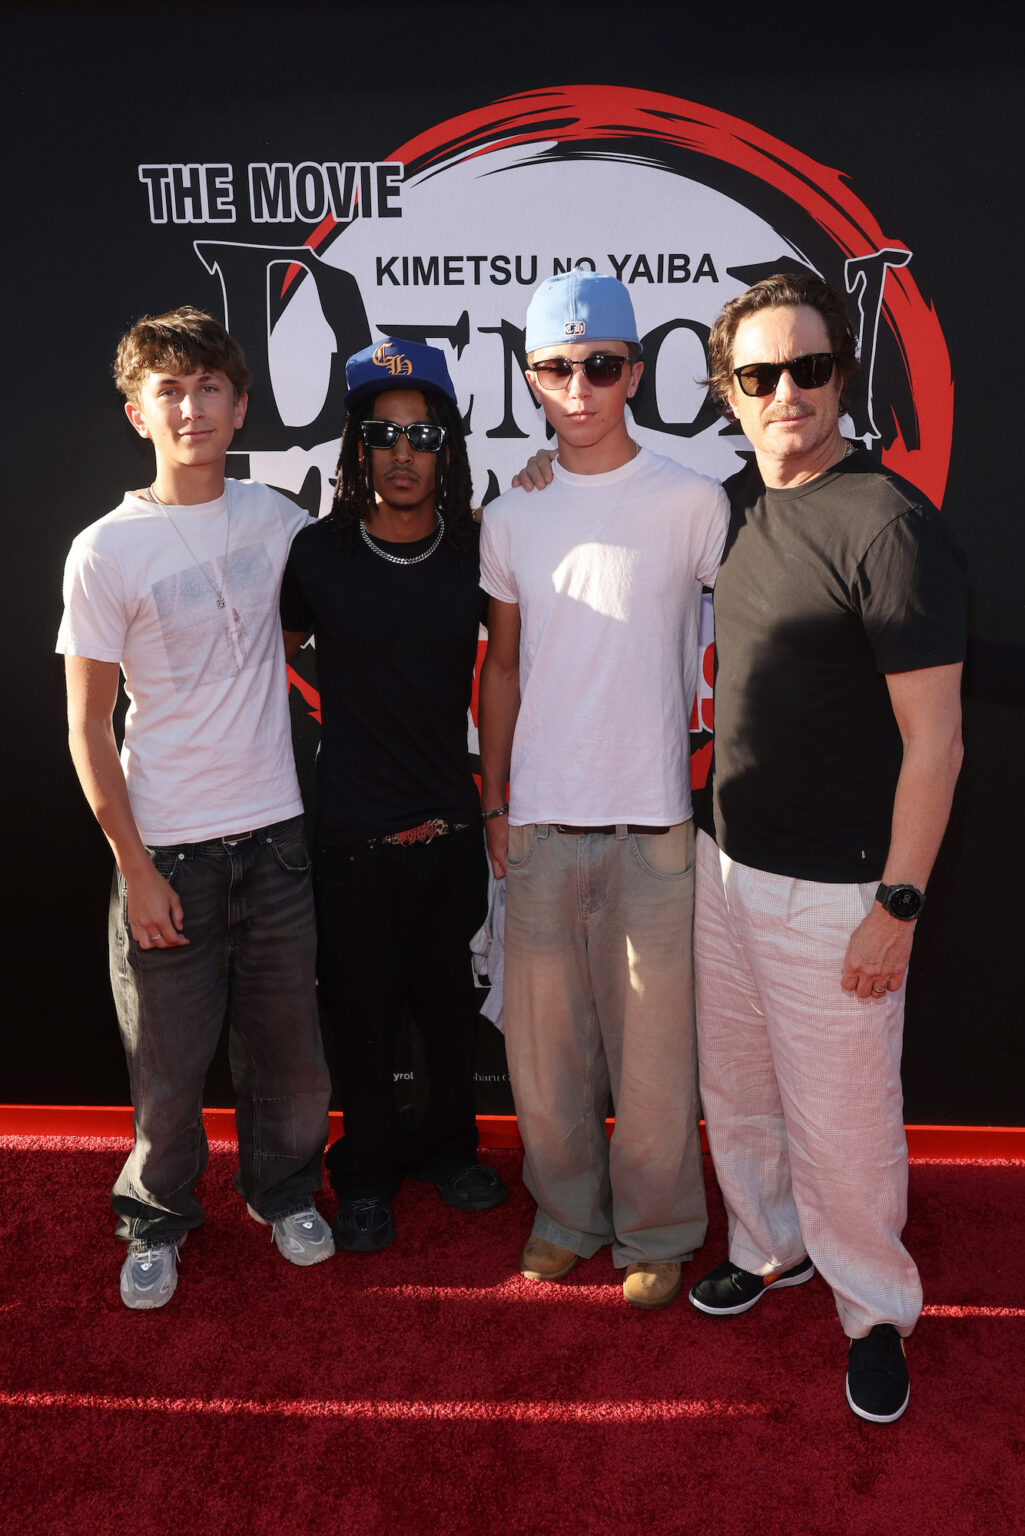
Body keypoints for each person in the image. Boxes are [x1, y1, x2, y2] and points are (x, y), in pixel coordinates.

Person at [686, 273, 966, 1422]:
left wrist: (895, 903)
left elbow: (936, 741)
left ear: (840, 376)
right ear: (726, 393)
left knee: (843, 1124)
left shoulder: (888, 525)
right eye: (759, 376)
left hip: (840, 888)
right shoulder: (726, 507)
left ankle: (873, 1310)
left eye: (807, 369)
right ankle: (767, 1248)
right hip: (725, 865)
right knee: (739, 1093)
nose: (785, 393)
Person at [57, 307, 334, 1311]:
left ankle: (285, 1191)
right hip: (168, 854)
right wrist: (133, 866)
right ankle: (157, 1220)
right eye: (168, 391)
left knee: (293, 1062)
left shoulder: (278, 519)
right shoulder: (104, 552)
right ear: (138, 412)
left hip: (278, 842)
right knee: (168, 1076)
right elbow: (89, 729)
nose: (190, 407)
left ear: (240, 403)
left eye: (208, 387)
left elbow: (355, 589)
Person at [478, 272, 729, 1310]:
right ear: (529, 377)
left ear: (633, 371)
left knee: (659, 1061)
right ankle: (565, 1216)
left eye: (599, 367)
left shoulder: (692, 502)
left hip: (654, 827)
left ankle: (659, 1229)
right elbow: (499, 668)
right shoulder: (510, 511)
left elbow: (746, 645)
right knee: (542, 1060)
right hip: (536, 821)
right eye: (553, 368)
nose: (576, 389)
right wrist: (495, 802)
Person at [280, 338, 508, 1253]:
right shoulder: (316, 555)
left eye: (422, 434)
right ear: (357, 450)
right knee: (363, 1021)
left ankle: (452, 1151)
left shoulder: (477, 552)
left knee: (448, 1013)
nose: (403, 452)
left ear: (446, 447)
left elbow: (519, 669)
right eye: (383, 435)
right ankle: (367, 1170)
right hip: (350, 838)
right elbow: (264, 655)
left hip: (451, 827)